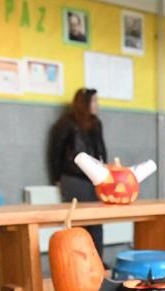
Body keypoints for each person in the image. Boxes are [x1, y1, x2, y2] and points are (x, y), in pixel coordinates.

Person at [48, 88, 107, 260]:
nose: (97, 105)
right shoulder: (66, 124)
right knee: (78, 223)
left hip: (93, 179)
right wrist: (57, 178)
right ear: (84, 103)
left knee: (96, 222)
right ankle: (79, 263)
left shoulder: (96, 123)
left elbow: (101, 150)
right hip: (73, 178)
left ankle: (97, 261)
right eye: (94, 101)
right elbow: (55, 153)